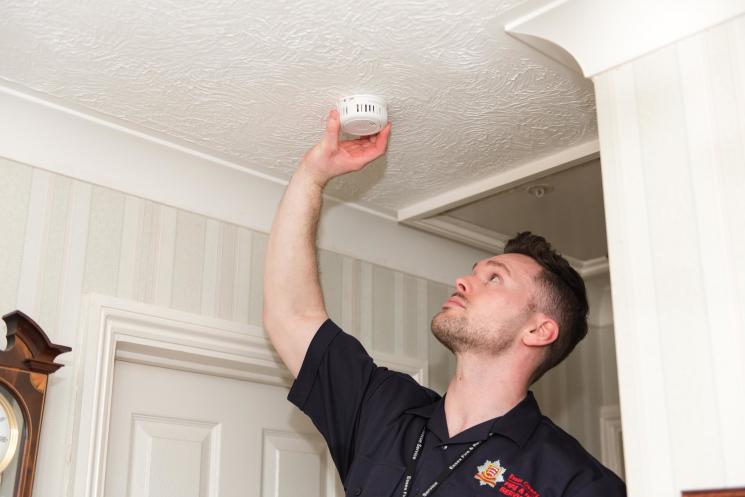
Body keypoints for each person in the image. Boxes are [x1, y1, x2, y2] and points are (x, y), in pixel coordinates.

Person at [263, 109, 626, 497]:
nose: (464, 281)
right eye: (475, 271)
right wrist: (312, 176)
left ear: (538, 330)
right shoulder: (384, 410)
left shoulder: (576, 481)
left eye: (495, 278)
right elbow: (292, 316)